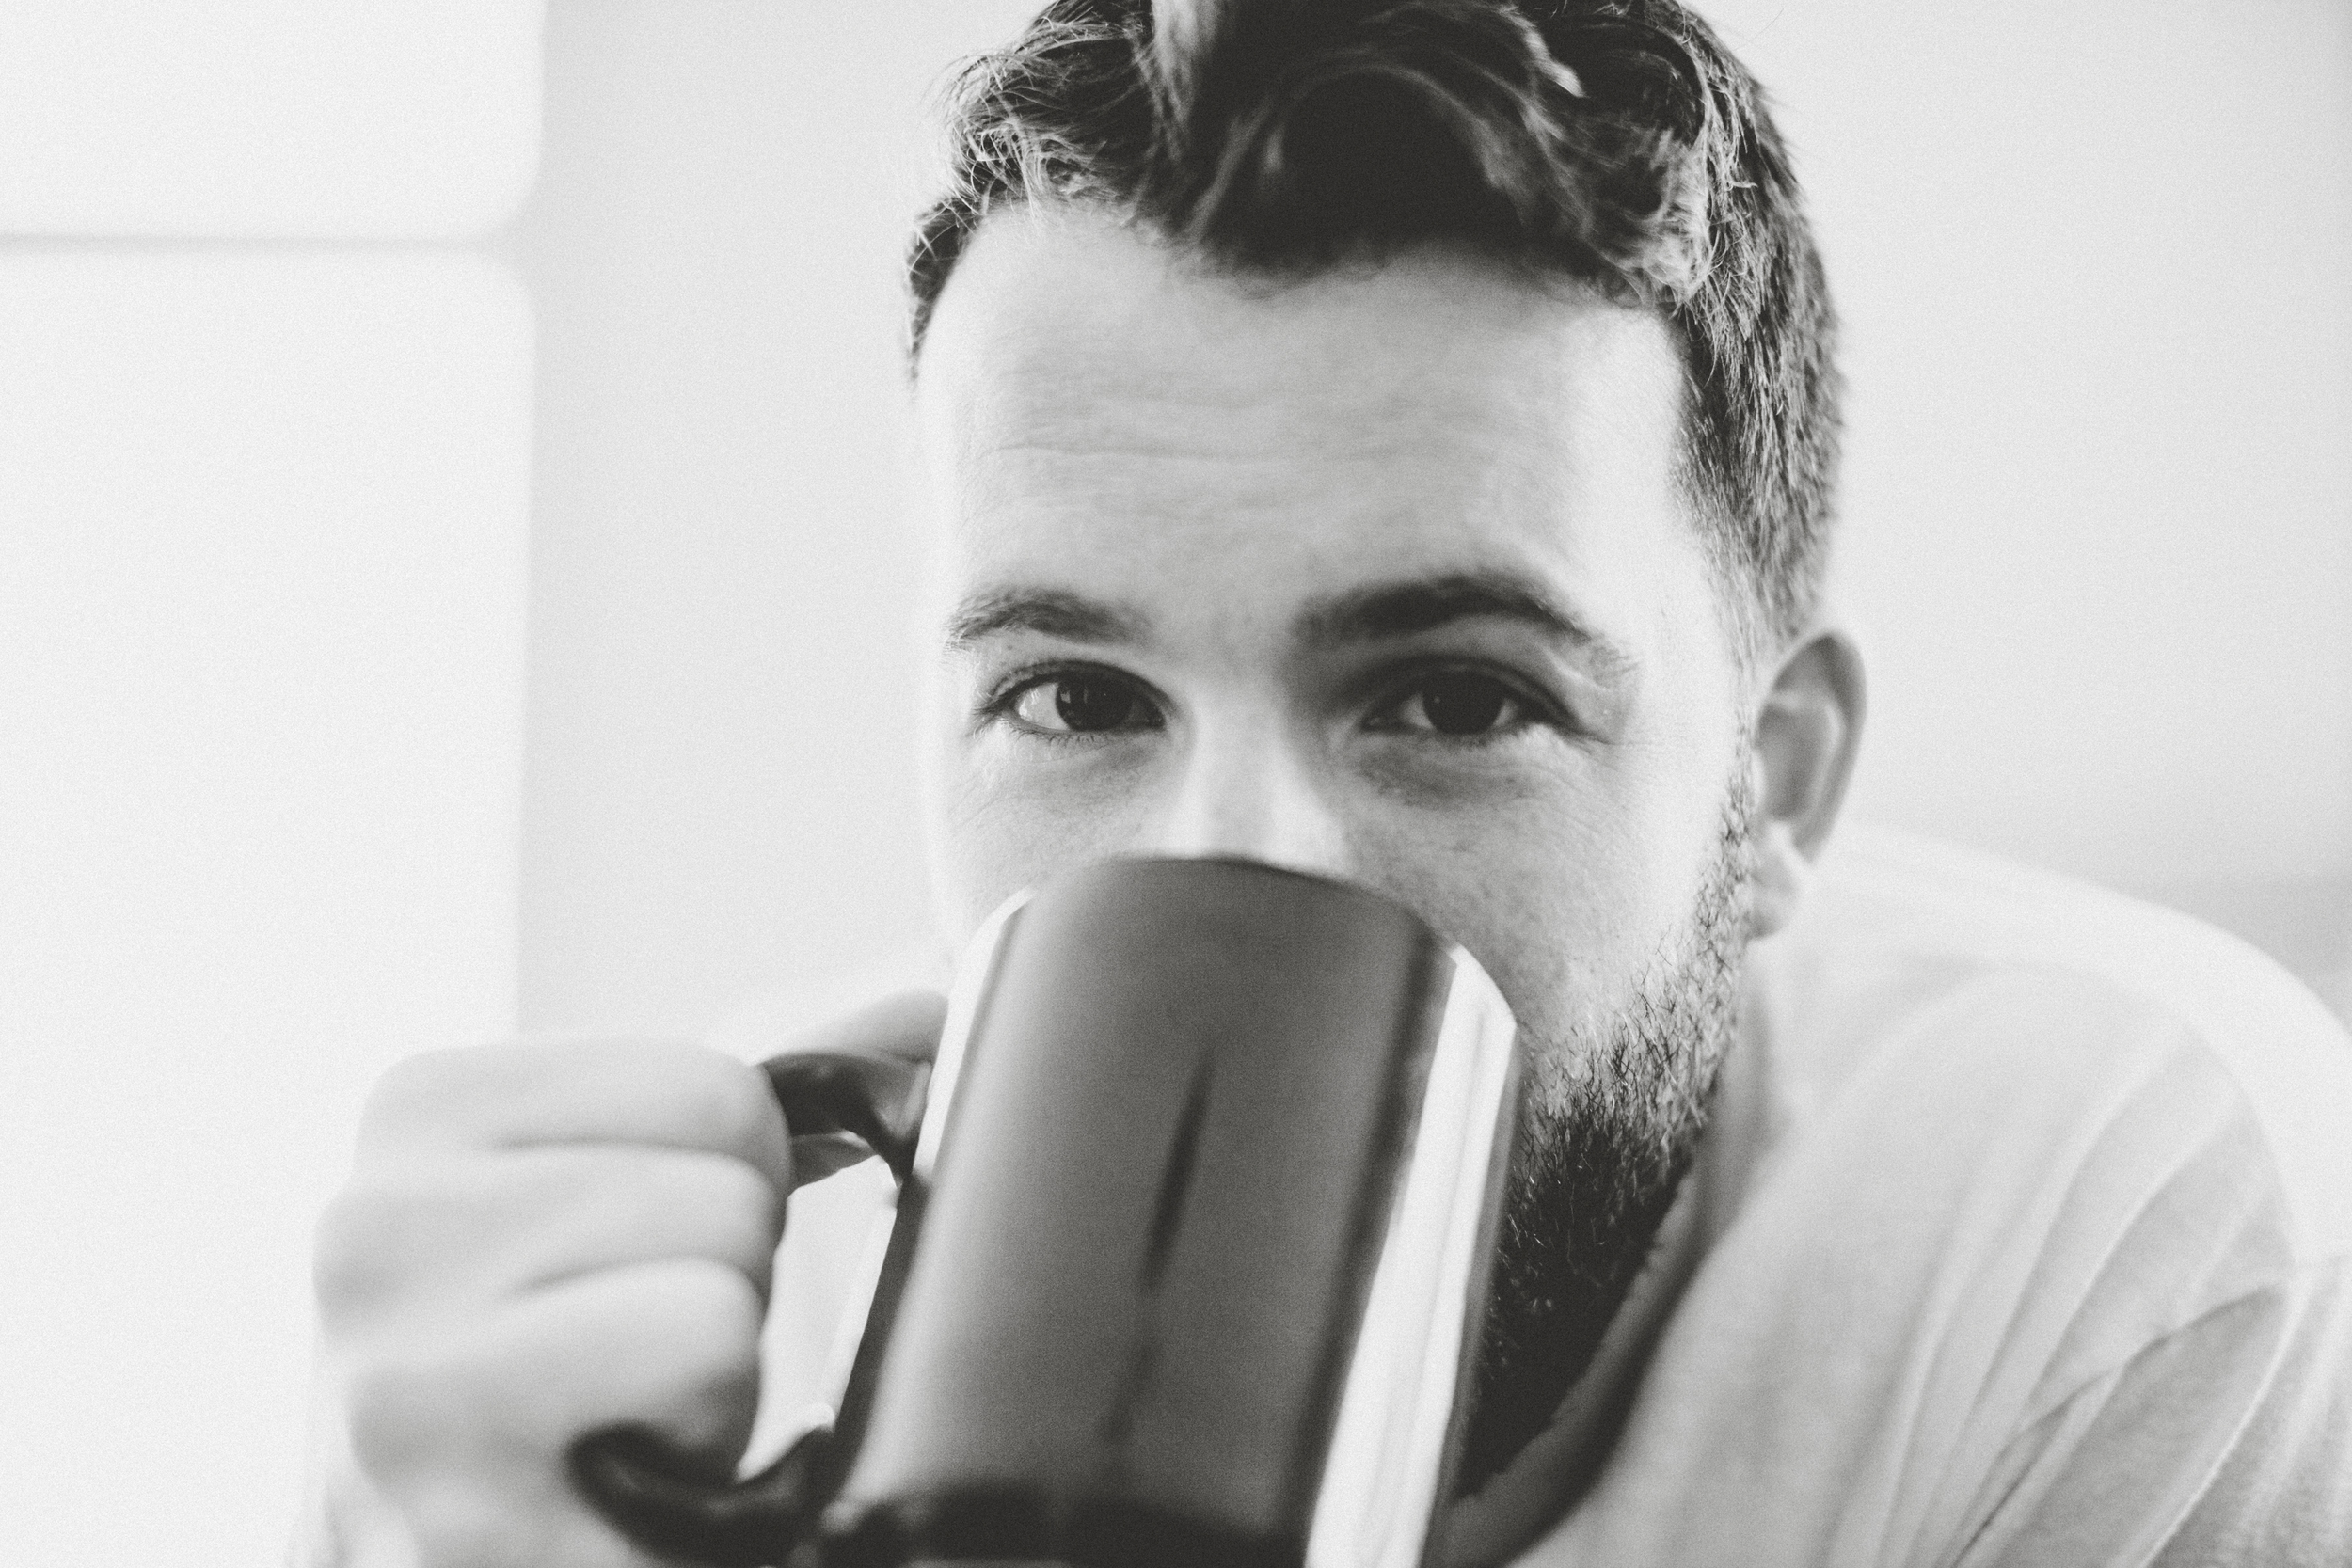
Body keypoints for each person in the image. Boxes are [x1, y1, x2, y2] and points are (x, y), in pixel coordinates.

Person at [300, 1, 2352, 1563]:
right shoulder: (692, 1333)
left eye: (1453, 701)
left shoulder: (2117, 1213)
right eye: (1074, 699)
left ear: (1774, 797)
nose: (1226, 859)